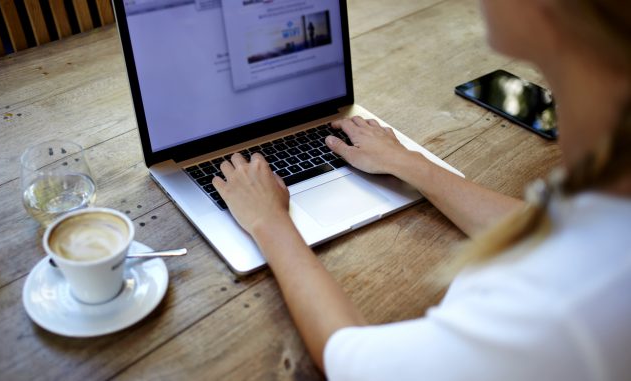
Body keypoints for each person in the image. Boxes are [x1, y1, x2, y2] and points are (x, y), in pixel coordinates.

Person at [212, 0, 631, 379]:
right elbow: (552, 235)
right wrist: (412, 165)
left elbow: (353, 360)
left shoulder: (559, 314)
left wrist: (270, 222)